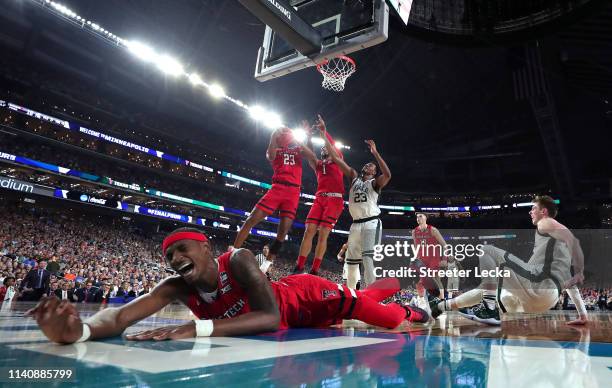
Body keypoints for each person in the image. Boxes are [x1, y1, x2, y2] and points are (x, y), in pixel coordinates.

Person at [28, 228, 428, 344]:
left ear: (206, 249)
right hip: (302, 322)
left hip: (306, 295)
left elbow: (270, 317)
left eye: (182, 250)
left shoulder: (238, 259)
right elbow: (122, 314)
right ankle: (391, 287)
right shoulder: (175, 286)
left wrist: (197, 327)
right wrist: (79, 331)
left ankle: (414, 306)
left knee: (389, 319)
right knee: (363, 301)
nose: (174, 260)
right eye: (168, 256)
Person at [430, 196, 588, 326]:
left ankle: (489, 307)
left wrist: (580, 270)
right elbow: (572, 285)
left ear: (544, 211)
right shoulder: (558, 256)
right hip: (546, 300)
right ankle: (441, 306)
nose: (530, 212)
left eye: (533, 208)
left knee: (486, 250)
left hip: (538, 285)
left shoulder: (545, 222)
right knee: (490, 289)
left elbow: (573, 240)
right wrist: (582, 314)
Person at [233, 127, 317, 273]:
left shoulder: (297, 149)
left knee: (283, 231)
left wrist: (303, 139)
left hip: (293, 192)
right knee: (251, 219)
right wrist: (273, 136)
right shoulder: (275, 150)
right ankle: (232, 252)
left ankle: (268, 263)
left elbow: (312, 156)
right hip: (278, 187)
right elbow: (270, 156)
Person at [324, 134, 391, 289]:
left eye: (372, 166)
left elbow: (387, 174)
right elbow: (335, 157)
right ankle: (352, 295)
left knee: (368, 258)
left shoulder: (374, 183)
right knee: (351, 262)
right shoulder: (354, 177)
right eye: (367, 164)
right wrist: (323, 133)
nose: (369, 166)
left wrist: (375, 153)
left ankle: (372, 295)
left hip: (371, 222)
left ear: (374, 173)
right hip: (355, 225)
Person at [294, 116, 346, 276]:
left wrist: (324, 131)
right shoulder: (318, 164)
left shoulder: (337, 160)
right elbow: (310, 153)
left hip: (335, 199)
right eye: (322, 148)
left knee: (323, 233)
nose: (324, 149)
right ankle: (299, 266)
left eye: (327, 148)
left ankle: (315, 270)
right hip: (319, 198)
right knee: (308, 231)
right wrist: (308, 136)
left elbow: (329, 146)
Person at [411, 213, 451, 316]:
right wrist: (415, 258)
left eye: (421, 216)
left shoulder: (433, 230)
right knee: (420, 282)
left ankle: (441, 303)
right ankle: (422, 304)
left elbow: (445, 245)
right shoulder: (414, 232)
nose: (418, 218)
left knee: (436, 279)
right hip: (422, 259)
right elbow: (416, 247)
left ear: (426, 218)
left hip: (433, 258)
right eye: (417, 217)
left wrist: (444, 259)